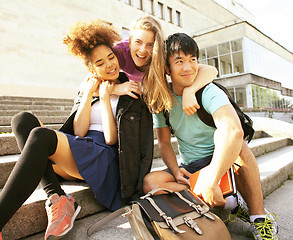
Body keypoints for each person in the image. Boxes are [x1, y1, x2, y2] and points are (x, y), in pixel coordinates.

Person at [0, 19, 153, 240]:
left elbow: (111, 139)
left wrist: (107, 95)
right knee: (22, 119)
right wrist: (90, 94)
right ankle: (58, 198)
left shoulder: (131, 92)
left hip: (104, 159)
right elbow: (79, 132)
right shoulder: (88, 88)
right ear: (91, 68)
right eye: (100, 63)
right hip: (81, 148)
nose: (109, 65)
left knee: (41, 137)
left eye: (111, 57)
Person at [143, 33, 279, 240]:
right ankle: (224, 198)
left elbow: (233, 131)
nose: (188, 67)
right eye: (179, 61)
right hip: (192, 166)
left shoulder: (208, 91)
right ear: (168, 69)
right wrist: (175, 171)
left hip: (222, 159)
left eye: (192, 60)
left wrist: (212, 177)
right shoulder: (163, 101)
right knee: (151, 182)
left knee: (239, 146)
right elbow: (163, 143)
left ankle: (259, 217)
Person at [87, 15, 218, 114]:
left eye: (150, 45)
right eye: (138, 42)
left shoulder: (161, 54)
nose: (143, 50)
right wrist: (118, 89)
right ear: (130, 40)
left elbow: (211, 71)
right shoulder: (119, 52)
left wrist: (190, 91)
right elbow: (86, 86)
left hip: (150, 87)